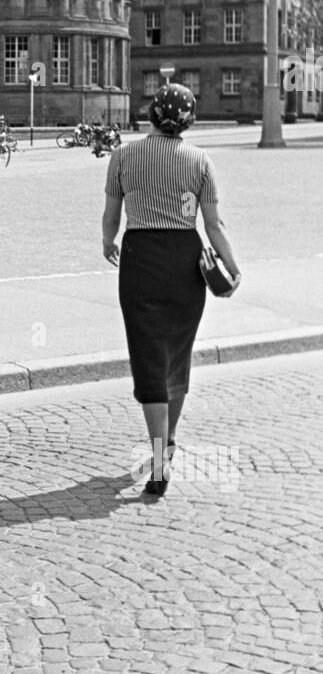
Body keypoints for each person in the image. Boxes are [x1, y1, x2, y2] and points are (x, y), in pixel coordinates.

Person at [101, 83, 241, 499]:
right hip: (185, 262)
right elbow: (213, 225)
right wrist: (232, 267)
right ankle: (170, 440)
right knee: (176, 358)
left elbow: (111, 215)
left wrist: (108, 242)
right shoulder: (201, 161)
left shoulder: (123, 156)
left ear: (151, 114)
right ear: (188, 121)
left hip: (140, 259)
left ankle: (160, 458)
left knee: (148, 360)